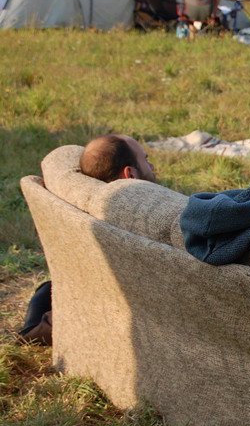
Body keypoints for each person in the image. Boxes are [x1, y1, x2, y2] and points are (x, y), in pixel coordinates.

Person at [18, 134, 156, 345]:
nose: (152, 165)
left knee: (47, 289)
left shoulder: (77, 206)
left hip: (86, 294)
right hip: (117, 307)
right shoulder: (147, 221)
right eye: (145, 160)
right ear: (130, 173)